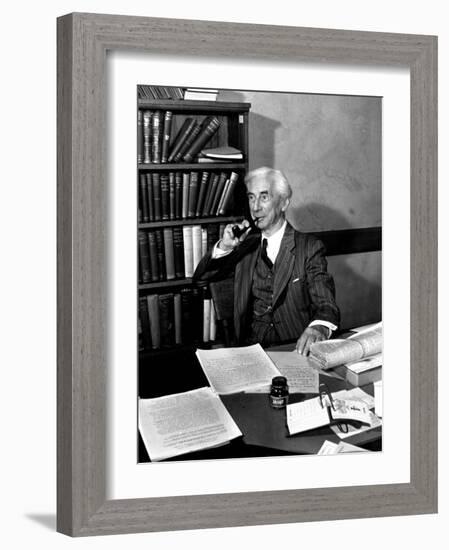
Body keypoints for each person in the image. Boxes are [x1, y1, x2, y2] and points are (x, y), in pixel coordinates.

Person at [193, 167, 340, 355]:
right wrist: (226, 246)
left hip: (294, 349)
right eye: (251, 197)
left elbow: (326, 304)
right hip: (250, 350)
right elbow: (201, 279)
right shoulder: (244, 246)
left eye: (264, 197)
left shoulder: (309, 247)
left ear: (284, 203)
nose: (255, 207)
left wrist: (318, 327)